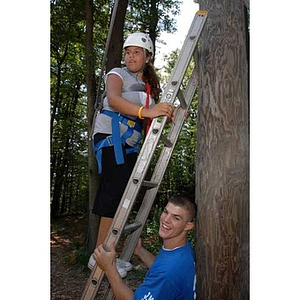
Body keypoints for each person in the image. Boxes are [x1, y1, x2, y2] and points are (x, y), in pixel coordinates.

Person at [88, 32, 174, 277]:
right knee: (113, 193)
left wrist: (172, 113)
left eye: (137, 52)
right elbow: (114, 100)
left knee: (122, 199)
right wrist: (147, 112)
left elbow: (154, 116)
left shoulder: (148, 89)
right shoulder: (117, 74)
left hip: (129, 145)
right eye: (128, 52)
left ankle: (108, 253)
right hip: (112, 139)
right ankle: (99, 255)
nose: (130, 56)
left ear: (148, 57)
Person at [93, 194, 197, 300]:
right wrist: (140, 251)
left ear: (188, 226)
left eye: (176, 218)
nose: (166, 220)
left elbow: (165, 272)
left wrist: (109, 268)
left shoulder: (168, 274)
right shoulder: (181, 248)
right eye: (165, 212)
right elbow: (161, 266)